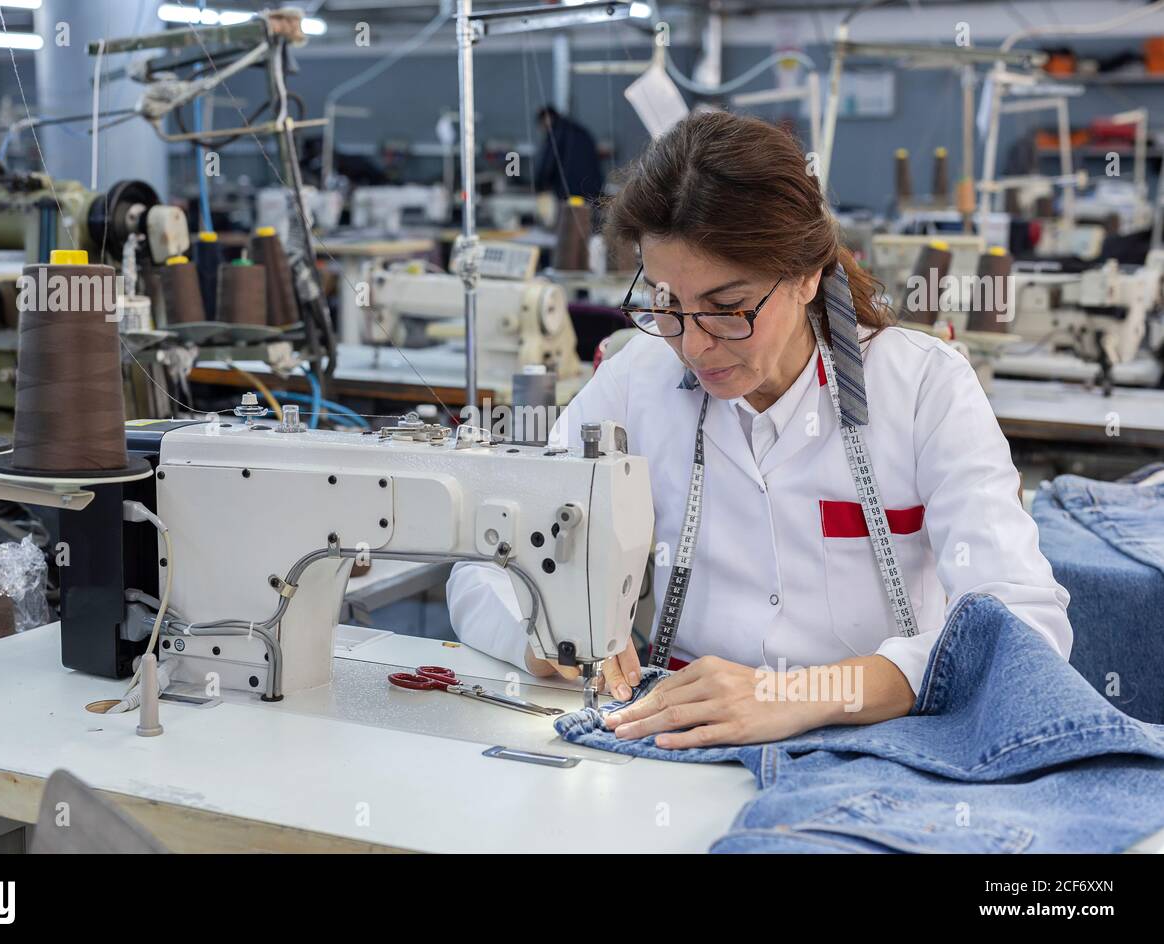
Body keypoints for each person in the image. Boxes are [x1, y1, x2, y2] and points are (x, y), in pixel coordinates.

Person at [447, 110, 1072, 749]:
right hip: (680, 735)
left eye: (726, 308)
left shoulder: (924, 388)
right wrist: (539, 638)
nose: (693, 344)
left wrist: (798, 696)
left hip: (880, 737)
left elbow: (1024, 626)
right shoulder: (638, 379)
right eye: (666, 304)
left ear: (805, 275)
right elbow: (484, 565)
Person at [533, 105, 604, 202]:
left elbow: (547, 164)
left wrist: (539, 185)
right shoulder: (581, 131)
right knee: (585, 215)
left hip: (571, 192)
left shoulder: (556, 133)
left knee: (572, 215)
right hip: (592, 191)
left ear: (545, 119)